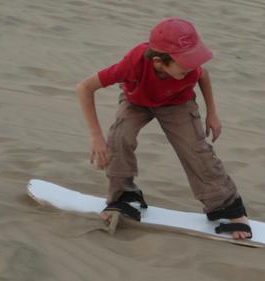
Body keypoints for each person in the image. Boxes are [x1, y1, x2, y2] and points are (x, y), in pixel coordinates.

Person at [76, 17, 251, 240]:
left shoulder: (190, 70)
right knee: (119, 138)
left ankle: (228, 208)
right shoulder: (133, 63)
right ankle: (124, 197)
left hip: (178, 103)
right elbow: (84, 87)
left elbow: (203, 76)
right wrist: (95, 136)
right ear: (159, 62)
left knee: (195, 149)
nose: (192, 69)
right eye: (185, 64)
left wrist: (212, 114)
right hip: (137, 100)